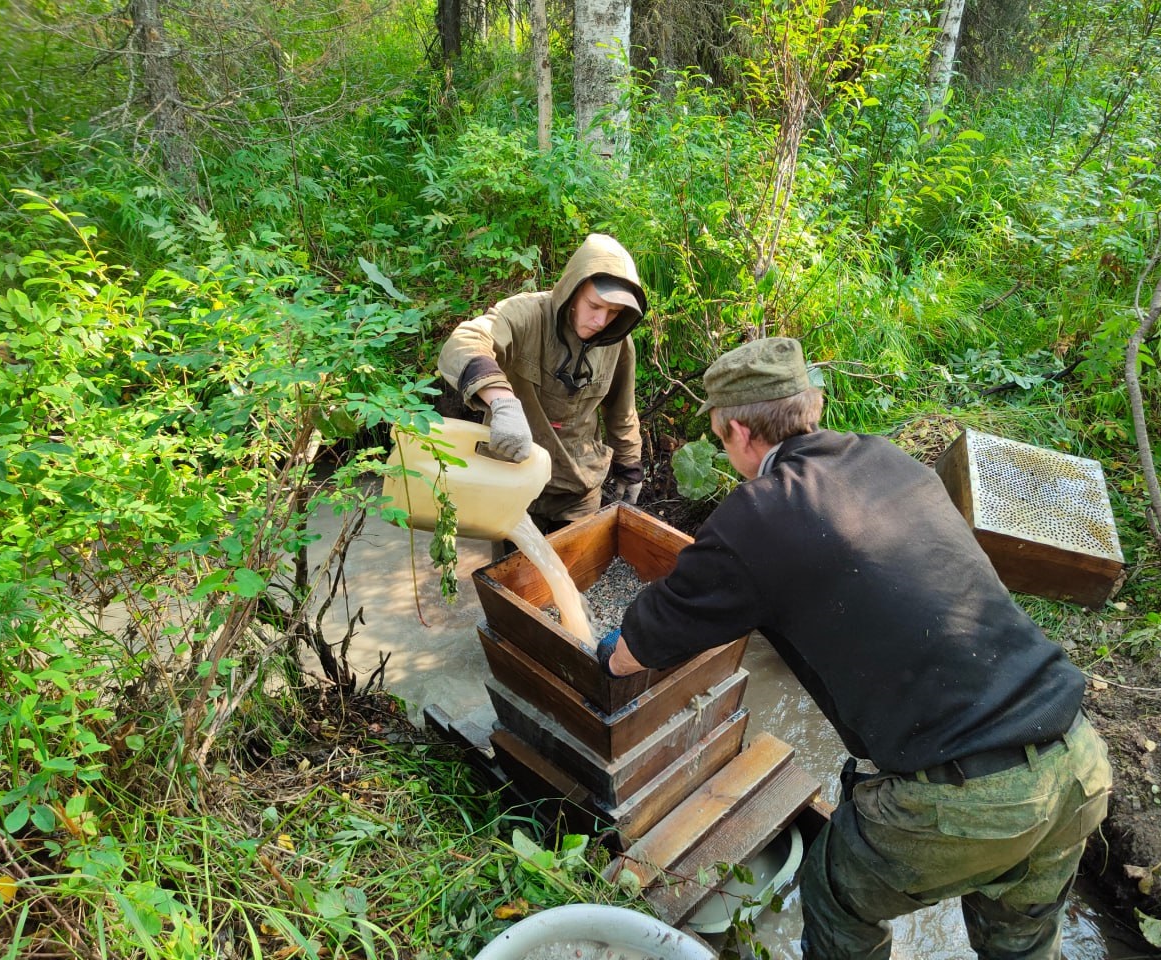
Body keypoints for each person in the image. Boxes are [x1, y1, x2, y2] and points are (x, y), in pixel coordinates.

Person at [596, 337, 1112, 960]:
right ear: (808, 408)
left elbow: (642, 644)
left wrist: (608, 655)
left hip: (966, 799)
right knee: (1022, 941)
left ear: (736, 430)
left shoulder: (759, 514)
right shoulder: (886, 459)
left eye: (717, 435)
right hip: (1076, 761)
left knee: (838, 897)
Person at [437, 234, 647, 541]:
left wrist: (629, 465)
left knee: (574, 574)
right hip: (514, 475)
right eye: (594, 305)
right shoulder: (525, 316)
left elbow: (621, 409)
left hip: (578, 483)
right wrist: (503, 403)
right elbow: (464, 343)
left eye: (614, 312)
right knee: (514, 576)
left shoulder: (618, 344)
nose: (601, 320)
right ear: (573, 289)